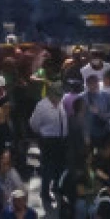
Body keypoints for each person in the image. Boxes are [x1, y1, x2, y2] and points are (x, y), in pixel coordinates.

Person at [29, 82, 68, 211]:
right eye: (57, 95)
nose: (60, 98)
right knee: (47, 167)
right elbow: (34, 124)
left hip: (61, 139)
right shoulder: (42, 106)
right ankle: (45, 192)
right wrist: (42, 134)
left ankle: (57, 186)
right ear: (50, 94)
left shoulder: (61, 102)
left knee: (59, 165)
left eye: (60, 95)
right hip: (48, 140)